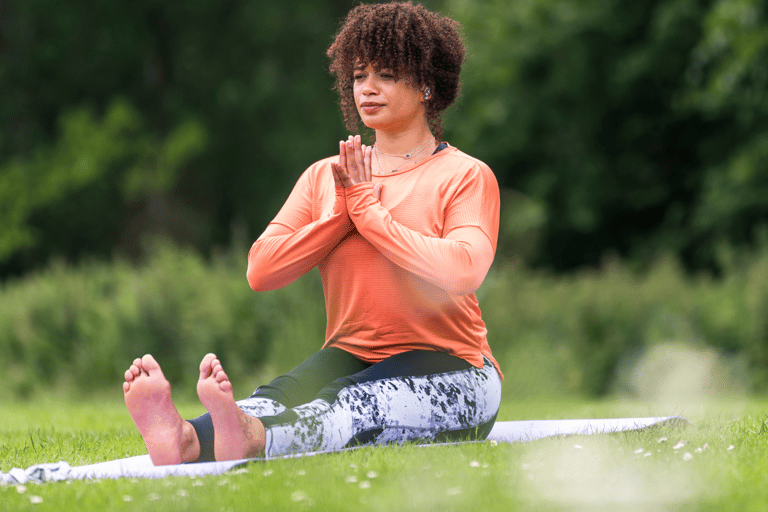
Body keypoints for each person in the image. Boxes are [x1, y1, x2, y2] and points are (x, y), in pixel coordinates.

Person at [123, 1, 503, 465]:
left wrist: (369, 213)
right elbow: (261, 269)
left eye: (385, 75)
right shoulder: (328, 177)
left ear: (426, 84)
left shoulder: (465, 174)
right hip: (351, 352)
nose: (368, 88)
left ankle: (254, 440)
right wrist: (341, 217)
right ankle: (182, 439)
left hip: (457, 371)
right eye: (359, 76)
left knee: (349, 403)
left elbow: (463, 270)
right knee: (278, 396)